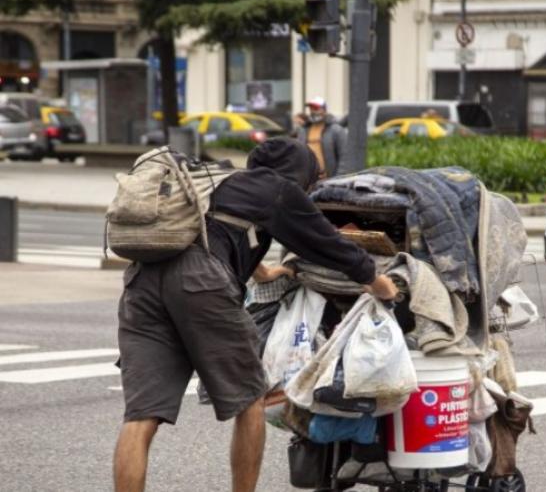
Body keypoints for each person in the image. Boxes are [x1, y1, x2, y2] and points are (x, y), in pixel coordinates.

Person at [113, 137, 397, 492]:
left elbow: (212, 232)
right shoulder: (280, 189)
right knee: (251, 400)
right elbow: (328, 243)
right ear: (302, 172)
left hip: (143, 281)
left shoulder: (221, 181)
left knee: (141, 415)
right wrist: (376, 281)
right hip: (200, 283)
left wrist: (263, 273)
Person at [292, 96, 347, 180]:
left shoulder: (336, 130)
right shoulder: (304, 130)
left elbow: (344, 156)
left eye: (316, 108)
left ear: (324, 110)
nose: (313, 111)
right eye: (311, 108)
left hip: (330, 179)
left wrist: (338, 178)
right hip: (309, 180)